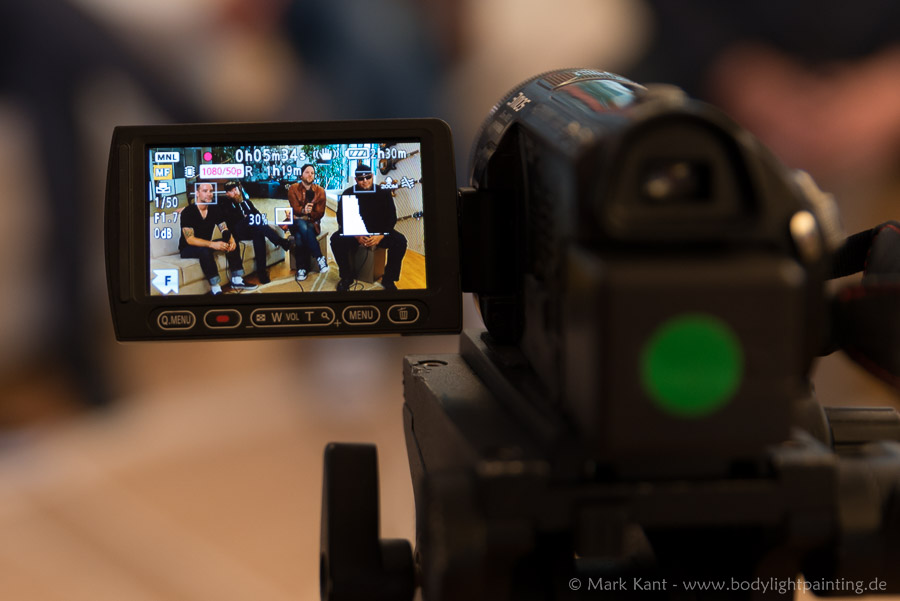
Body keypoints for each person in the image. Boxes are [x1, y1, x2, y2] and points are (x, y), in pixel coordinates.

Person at [330, 164, 407, 291]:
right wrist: (356, 235)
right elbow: (341, 219)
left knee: (400, 241)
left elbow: (392, 218)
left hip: (380, 232)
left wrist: (381, 235)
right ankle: (346, 277)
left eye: (368, 177)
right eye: (361, 178)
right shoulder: (348, 193)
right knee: (336, 239)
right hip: (356, 232)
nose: (365, 181)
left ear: (372, 176)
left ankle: (389, 278)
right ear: (356, 179)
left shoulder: (383, 193)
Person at [179, 182, 257, 294]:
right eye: (205, 191)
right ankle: (215, 288)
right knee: (205, 251)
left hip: (207, 244)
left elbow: (223, 228)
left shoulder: (214, 209)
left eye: (211, 191)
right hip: (188, 248)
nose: (209, 194)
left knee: (231, 240)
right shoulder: (188, 212)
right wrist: (212, 244)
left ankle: (237, 279)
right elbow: (190, 239)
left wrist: (231, 239)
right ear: (197, 193)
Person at [222, 181, 293, 284]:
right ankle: (281, 242)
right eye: (232, 191)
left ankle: (261, 271)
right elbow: (231, 220)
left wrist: (258, 221)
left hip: (251, 230)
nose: (235, 192)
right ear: (227, 194)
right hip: (237, 232)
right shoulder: (226, 204)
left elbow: (258, 215)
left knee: (258, 232)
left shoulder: (247, 202)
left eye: (236, 189)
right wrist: (247, 218)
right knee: (252, 220)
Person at [286, 163, 329, 281]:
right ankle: (319, 257)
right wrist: (303, 211)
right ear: (301, 175)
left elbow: (320, 213)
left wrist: (308, 215)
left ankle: (301, 269)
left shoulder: (320, 191)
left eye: (312, 173)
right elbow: (295, 208)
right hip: (295, 223)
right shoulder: (293, 188)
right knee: (300, 224)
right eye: (307, 172)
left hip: (312, 224)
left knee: (300, 236)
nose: (310, 175)